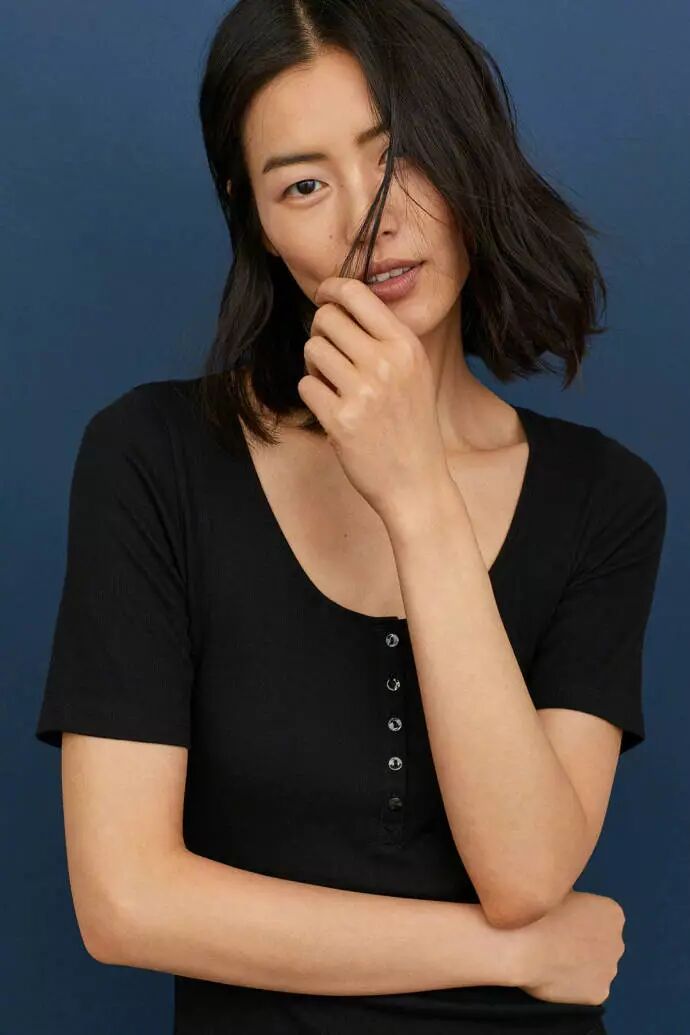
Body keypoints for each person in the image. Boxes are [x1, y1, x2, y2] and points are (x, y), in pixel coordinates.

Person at [35, 1, 667, 1033]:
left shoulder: (605, 496)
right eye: (304, 184)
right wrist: (511, 954)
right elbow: (125, 904)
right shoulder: (152, 458)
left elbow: (525, 872)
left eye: (399, 155)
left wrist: (416, 496)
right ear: (255, 215)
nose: (368, 224)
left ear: (466, 149)